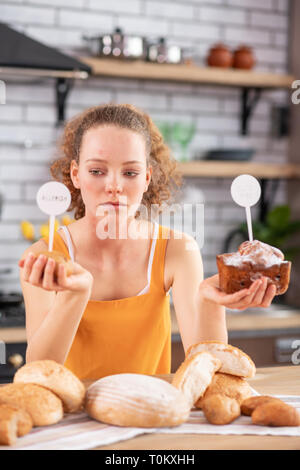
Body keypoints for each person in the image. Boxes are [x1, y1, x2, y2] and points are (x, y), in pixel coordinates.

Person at [18, 103, 276, 380]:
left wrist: (212, 303)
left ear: (146, 179)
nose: (114, 185)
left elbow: (207, 371)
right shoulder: (43, 257)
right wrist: (76, 293)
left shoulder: (177, 250)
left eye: (130, 173)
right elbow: (38, 371)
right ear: (75, 174)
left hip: (150, 416)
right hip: (71, 419)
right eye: (97, 171)